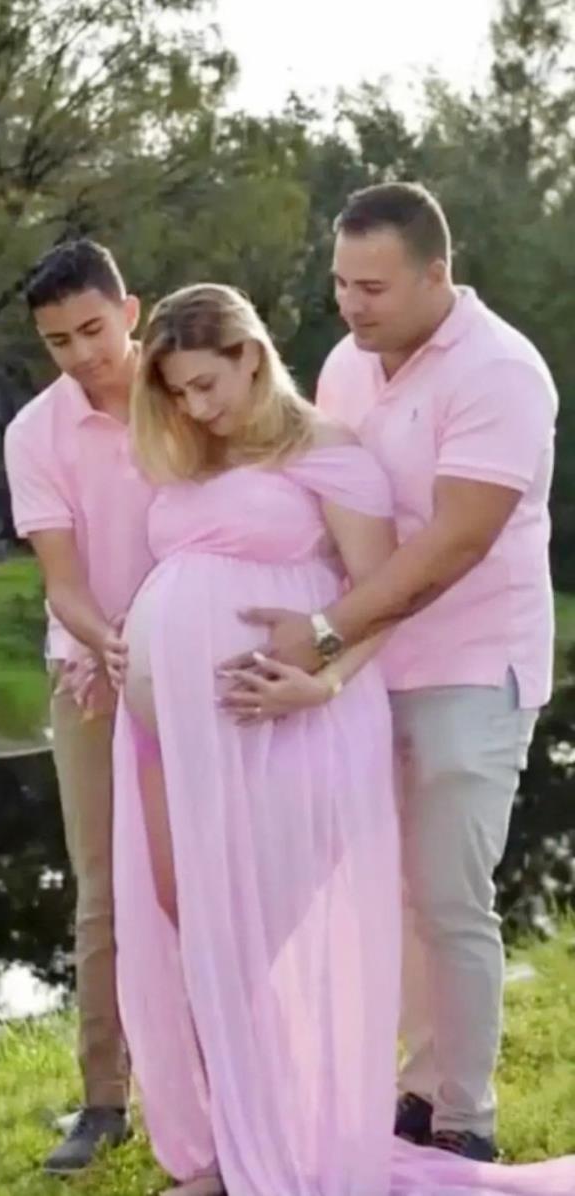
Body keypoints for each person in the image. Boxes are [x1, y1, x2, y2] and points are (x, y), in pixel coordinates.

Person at [109, 283, 574, 1196]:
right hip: (172, 739)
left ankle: (271, 1147)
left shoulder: (332, 452)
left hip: (289, 728)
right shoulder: (192, 452)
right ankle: (223, 1142)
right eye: (177, 393)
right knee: (186, 925)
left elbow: (379, 598)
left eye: (207, 384)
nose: (197, 407)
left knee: (251, 932)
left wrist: (319, 678)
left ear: (251, 354)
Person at [226, 183, 559, 1161]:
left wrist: (324, 634)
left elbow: (453, 545)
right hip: (369, 661)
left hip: (469, 665)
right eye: (339, 281)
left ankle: (464, 1116)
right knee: (387, 890)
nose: (350, 304)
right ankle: (407, 1091)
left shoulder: (502, 371)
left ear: (435, 274)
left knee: (450, 896)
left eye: (371, 286)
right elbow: (338, 513)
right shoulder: (344, 364)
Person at [4, 240, 155, 1174]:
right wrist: (104, 645)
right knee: (102, 891)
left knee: (208, 882)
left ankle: (226, 1079)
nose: (82, 354)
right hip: (90, 677)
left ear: (130, 311)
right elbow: (61, 579)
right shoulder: (34, 433)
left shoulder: (190, 386)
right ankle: (105, 1100)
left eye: (94, 329)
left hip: (203, 671)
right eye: (58, 340)